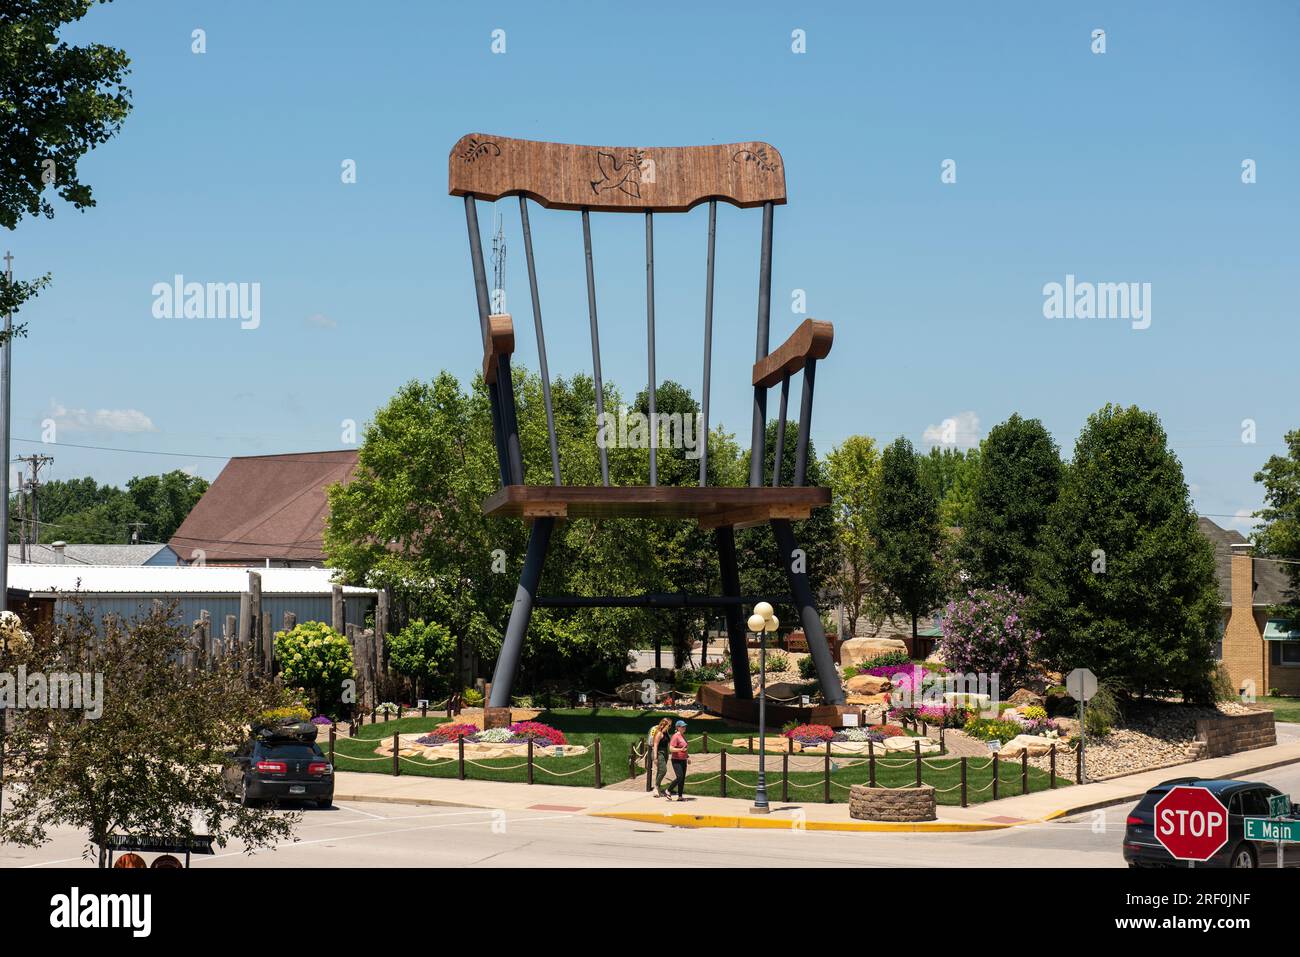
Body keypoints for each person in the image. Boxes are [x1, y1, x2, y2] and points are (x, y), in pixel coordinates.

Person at [650, 718, 672, 797]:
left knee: (660, 771)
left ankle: (657, 789)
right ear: (665, 725)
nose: (670, 727)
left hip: (664, 753)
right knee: (663, 770)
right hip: (658, 753)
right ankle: (656, 787)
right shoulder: (659, 733)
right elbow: (655, 745)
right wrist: (655, 758)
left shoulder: (666, 733)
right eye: (669, 725)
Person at [669, 719, 689, 801]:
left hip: (683, 759)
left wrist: (687, 757)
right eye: (682, 726)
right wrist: (680, 750)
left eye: (685, 726)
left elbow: (684, 748)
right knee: (680, 777)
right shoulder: (675, 736)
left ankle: (680, 796)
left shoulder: (682, 735)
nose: (684, 727)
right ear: (678, 727)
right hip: (676, 760)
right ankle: (668, 790)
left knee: (682, 778)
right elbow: (671, 749)